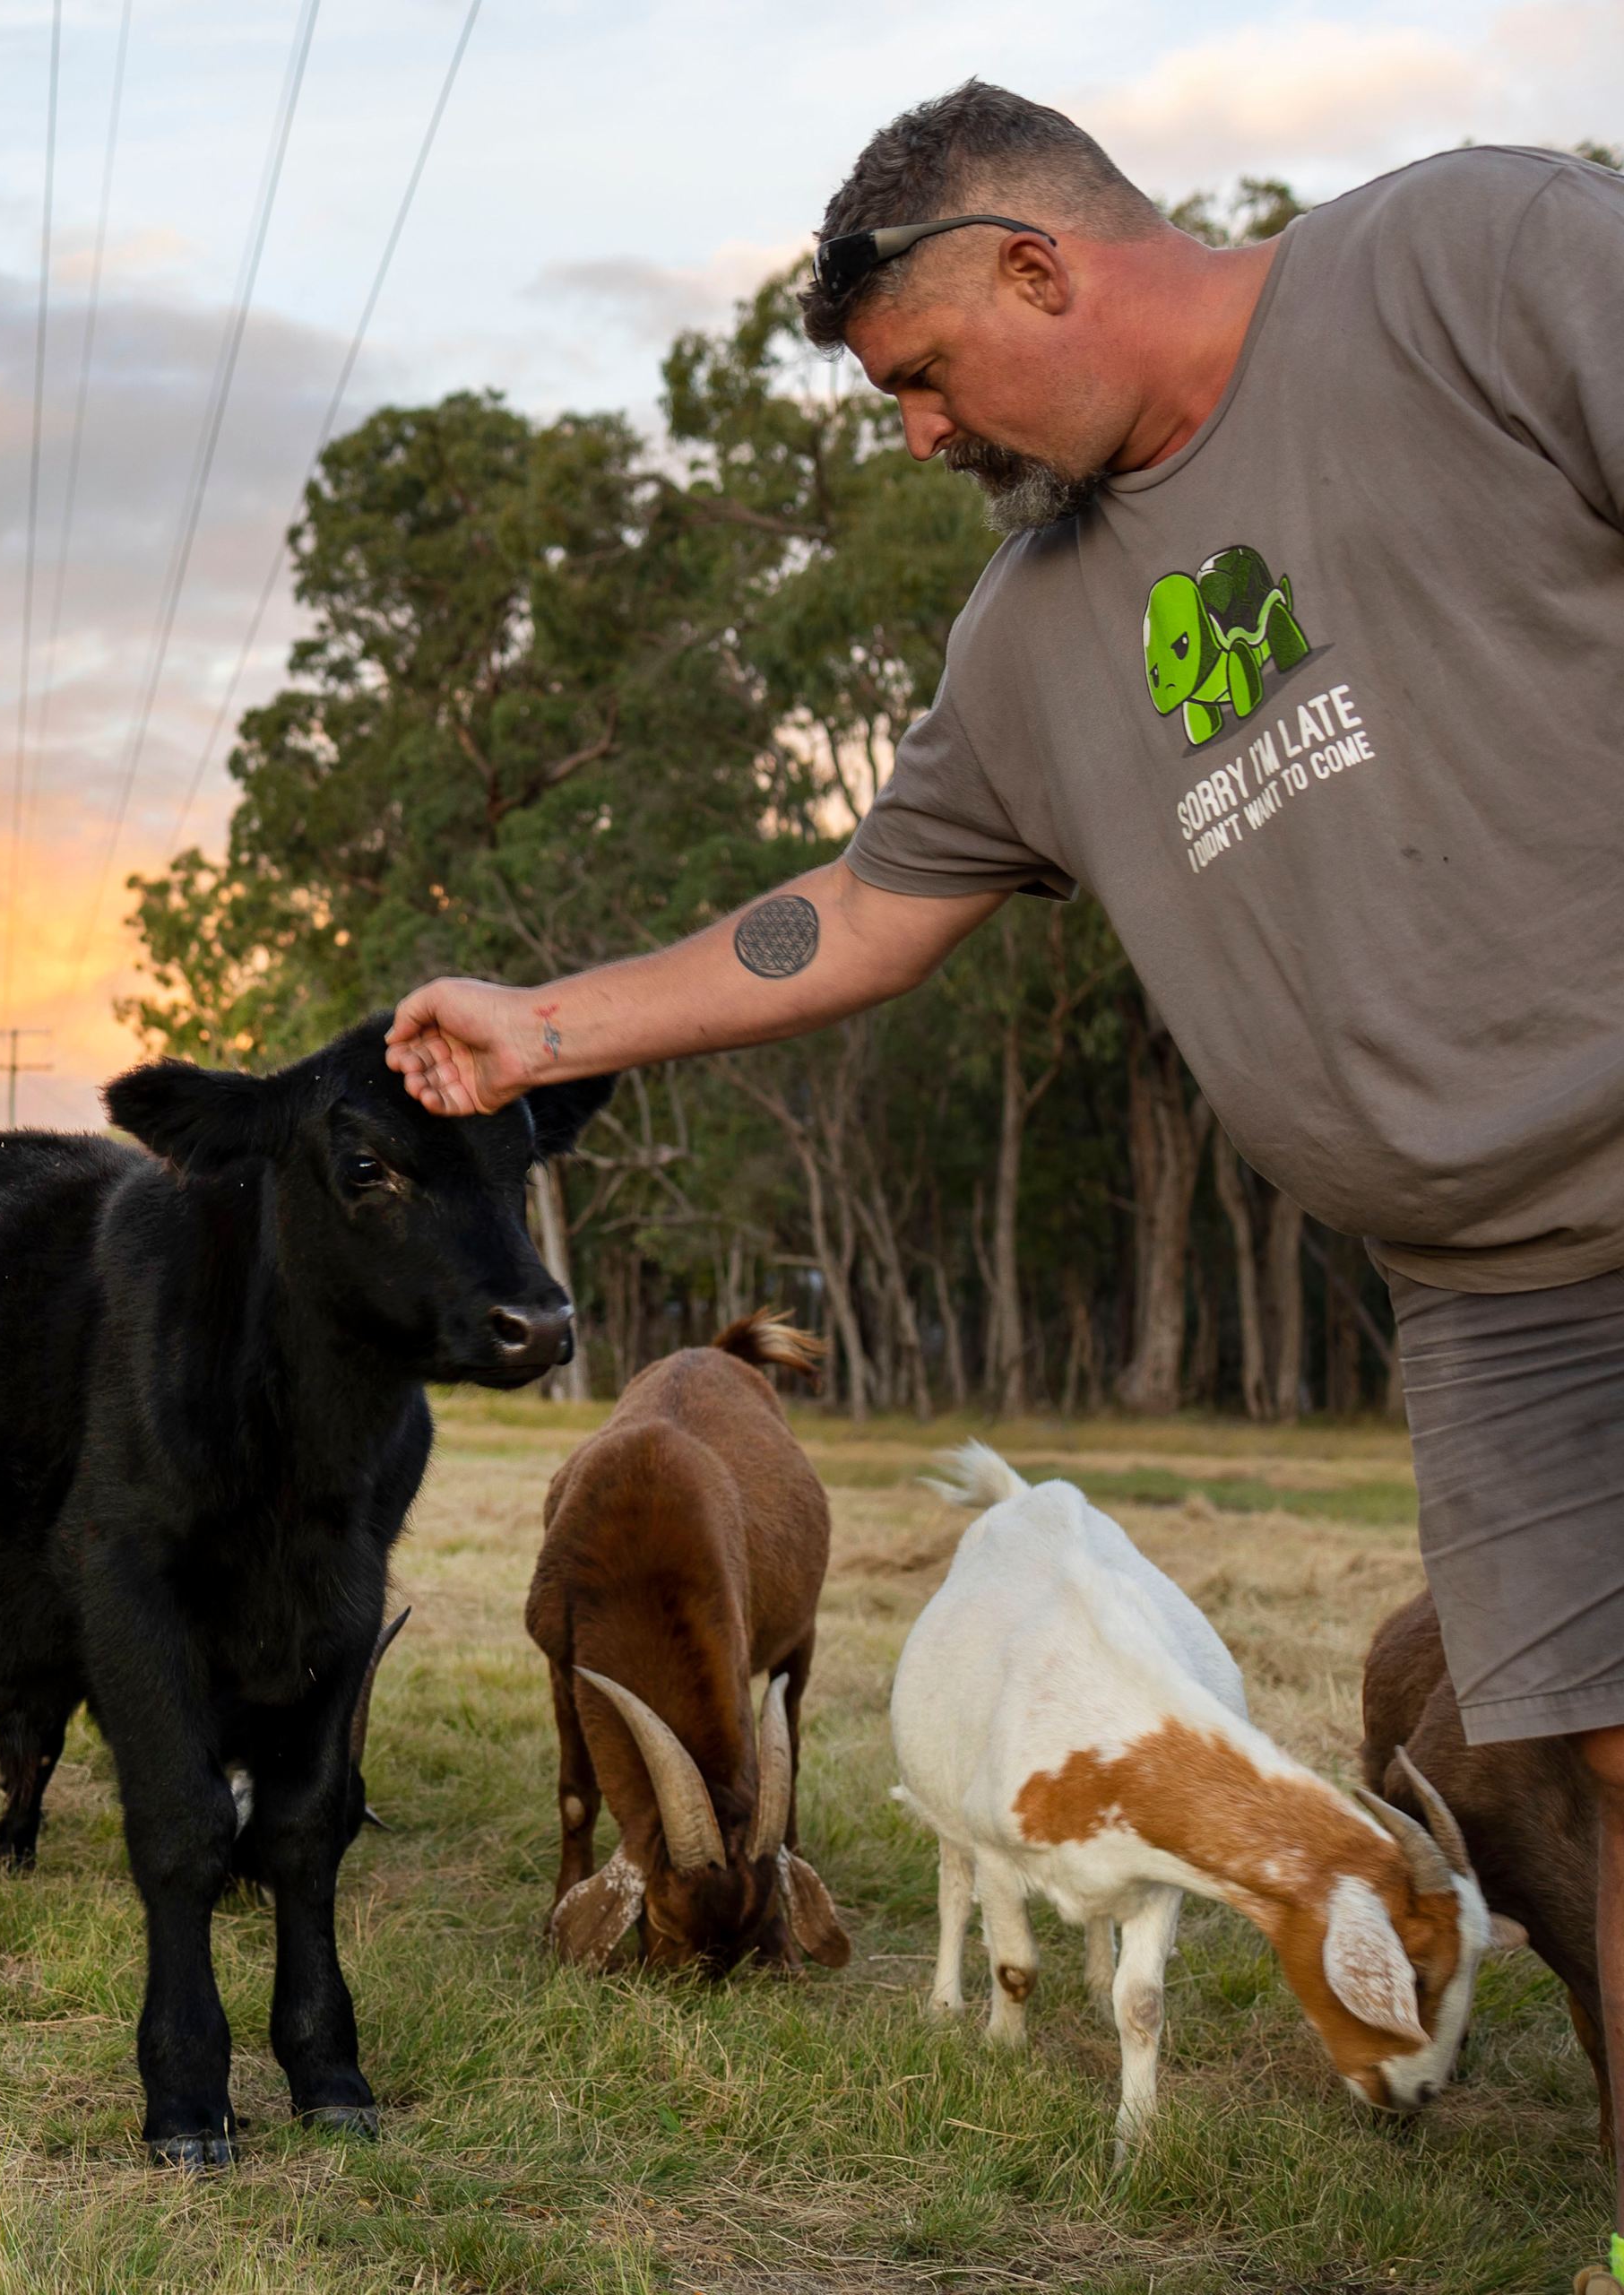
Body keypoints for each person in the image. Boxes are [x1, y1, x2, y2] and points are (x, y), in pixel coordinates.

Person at [384, 82, 1624, 2285]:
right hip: (1493, 1292)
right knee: (1608, 1785)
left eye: (922, 379)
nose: (917, 436)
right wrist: (542, 1023)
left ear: (1039, 264)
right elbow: (854, 912)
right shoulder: (1032, 642)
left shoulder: (1469, 267)